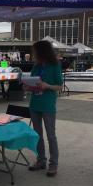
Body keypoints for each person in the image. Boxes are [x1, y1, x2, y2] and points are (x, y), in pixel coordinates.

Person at [24, 41, 63, 177]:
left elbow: (59, 86)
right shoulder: (36, 65)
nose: (33, 54)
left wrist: (47, 86)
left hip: (47, 104)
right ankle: (41, 160)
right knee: (37, 134)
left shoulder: (54, 65)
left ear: (42, 51)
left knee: (51, 135)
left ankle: (54, 163)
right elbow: (33, 81)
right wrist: (28, 86)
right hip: (35, 103)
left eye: (35, 51)